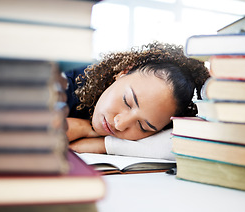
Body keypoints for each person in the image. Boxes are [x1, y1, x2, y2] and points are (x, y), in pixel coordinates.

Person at [63, 42, 210, 159]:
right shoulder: (63, 82)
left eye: (142, 127)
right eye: (127, 101)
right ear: (123, 72)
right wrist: (80, 127)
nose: (120, 125)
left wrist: (105, 144)